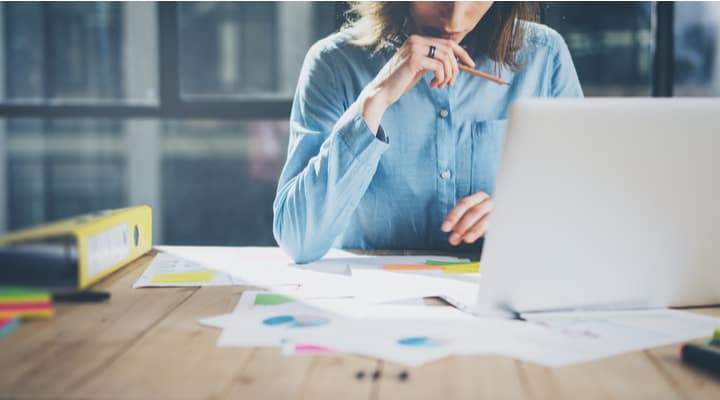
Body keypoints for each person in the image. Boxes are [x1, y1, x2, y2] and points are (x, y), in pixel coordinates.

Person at [273, 1, 583, 263]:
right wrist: (375, 100)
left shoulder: (545, 56)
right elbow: (297, 240)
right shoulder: (333, 64)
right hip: (372, 311)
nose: (455, 17)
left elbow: (587, 213)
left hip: (498, 304)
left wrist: (523, 214)